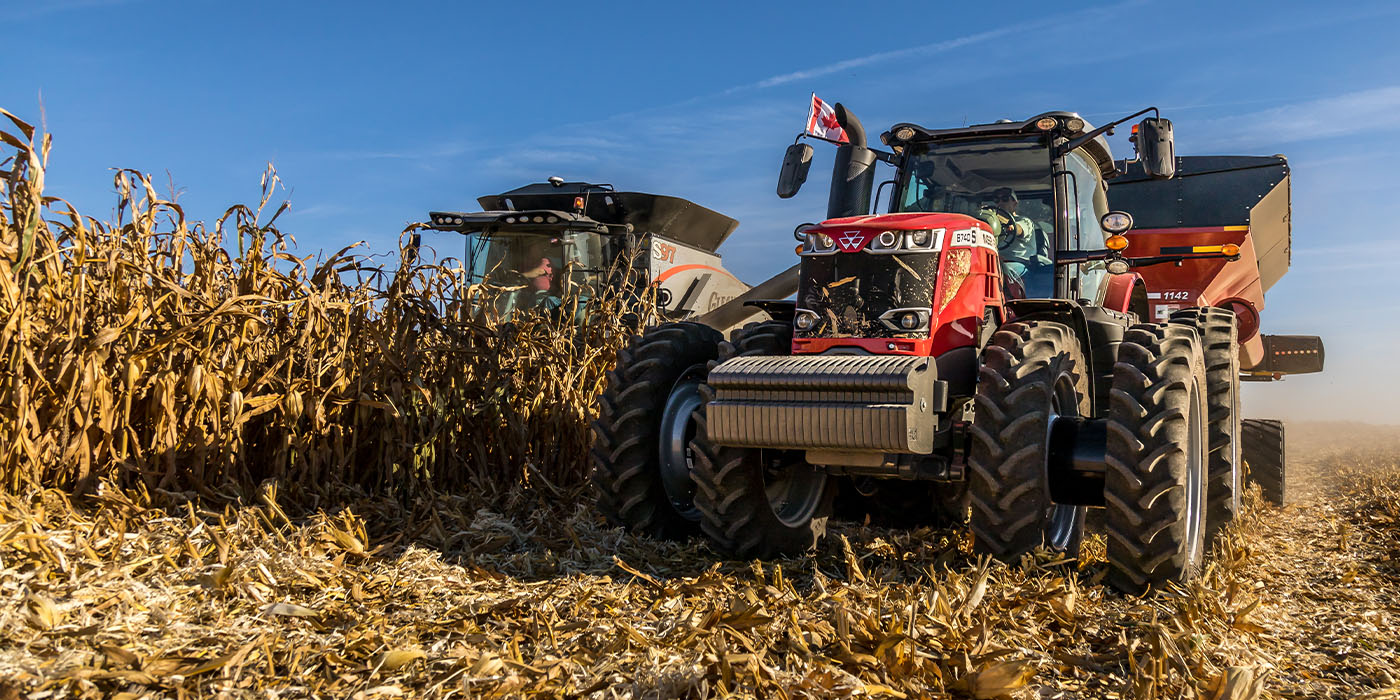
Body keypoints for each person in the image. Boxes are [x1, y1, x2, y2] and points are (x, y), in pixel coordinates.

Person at [978, 188, 1040, 297]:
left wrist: (996, 219)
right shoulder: (990, 221)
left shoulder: (1024, 221)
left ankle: (1007, 300)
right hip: (995, 260)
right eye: (996, 200)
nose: (1000, 203)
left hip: (1022, 265)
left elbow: (1019, 230)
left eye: (1005, 199)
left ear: (1015, 203)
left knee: (1001, 269)